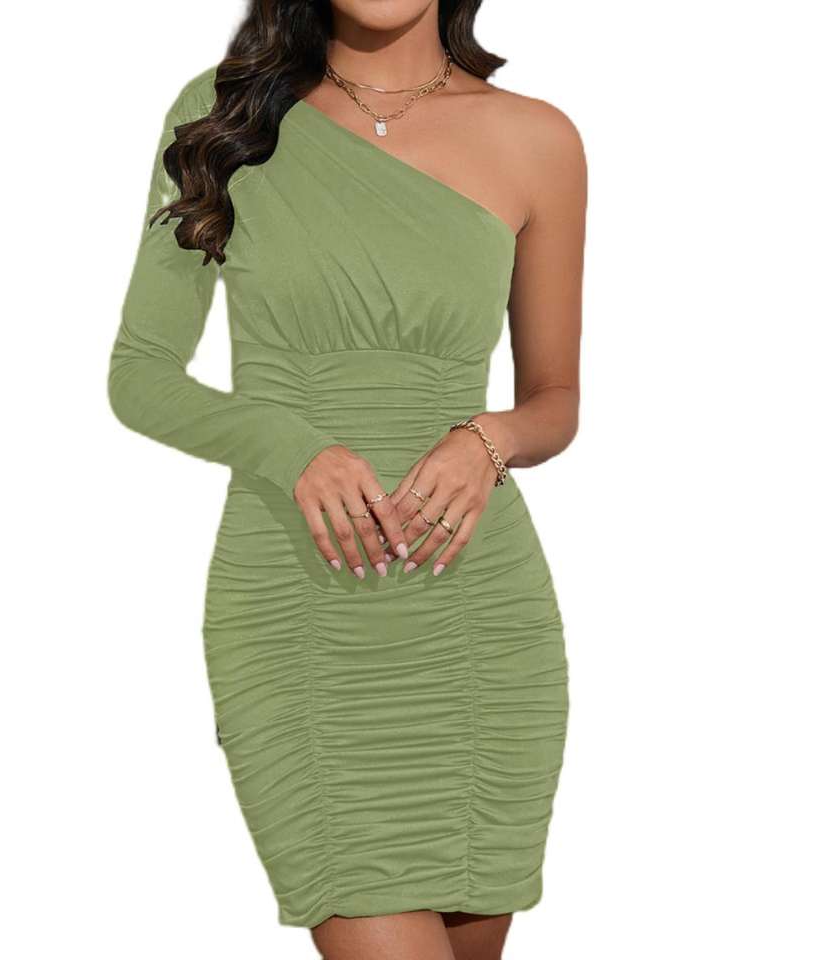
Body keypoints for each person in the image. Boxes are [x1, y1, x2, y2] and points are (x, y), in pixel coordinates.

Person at [108, 1, 586, 957]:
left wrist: (488, 438)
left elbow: (556, 400)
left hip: (476, 622)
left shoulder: (539, 139)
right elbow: (140, 374)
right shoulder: (225, 115)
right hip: (300, 614)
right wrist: (288, 446)